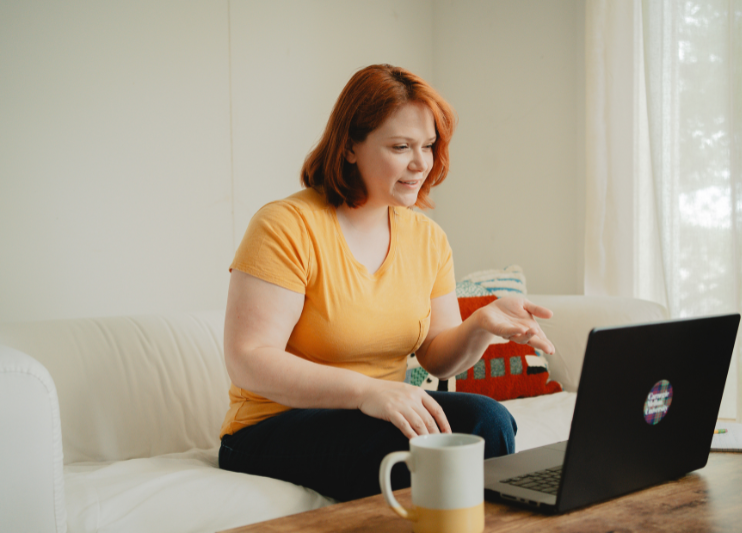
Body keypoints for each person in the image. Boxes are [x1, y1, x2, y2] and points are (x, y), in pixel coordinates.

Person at [218, 64, 555, 502]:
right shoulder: (286, 226)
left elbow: (436, 357)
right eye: (401, 146)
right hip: (272, 426)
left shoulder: (427, 238)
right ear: (351, 146)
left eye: (429, 146)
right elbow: (249, 359)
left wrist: (481, 326)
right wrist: (368, 392)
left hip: (375, 413)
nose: (421, 163)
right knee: (412, 451)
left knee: (487, 420)